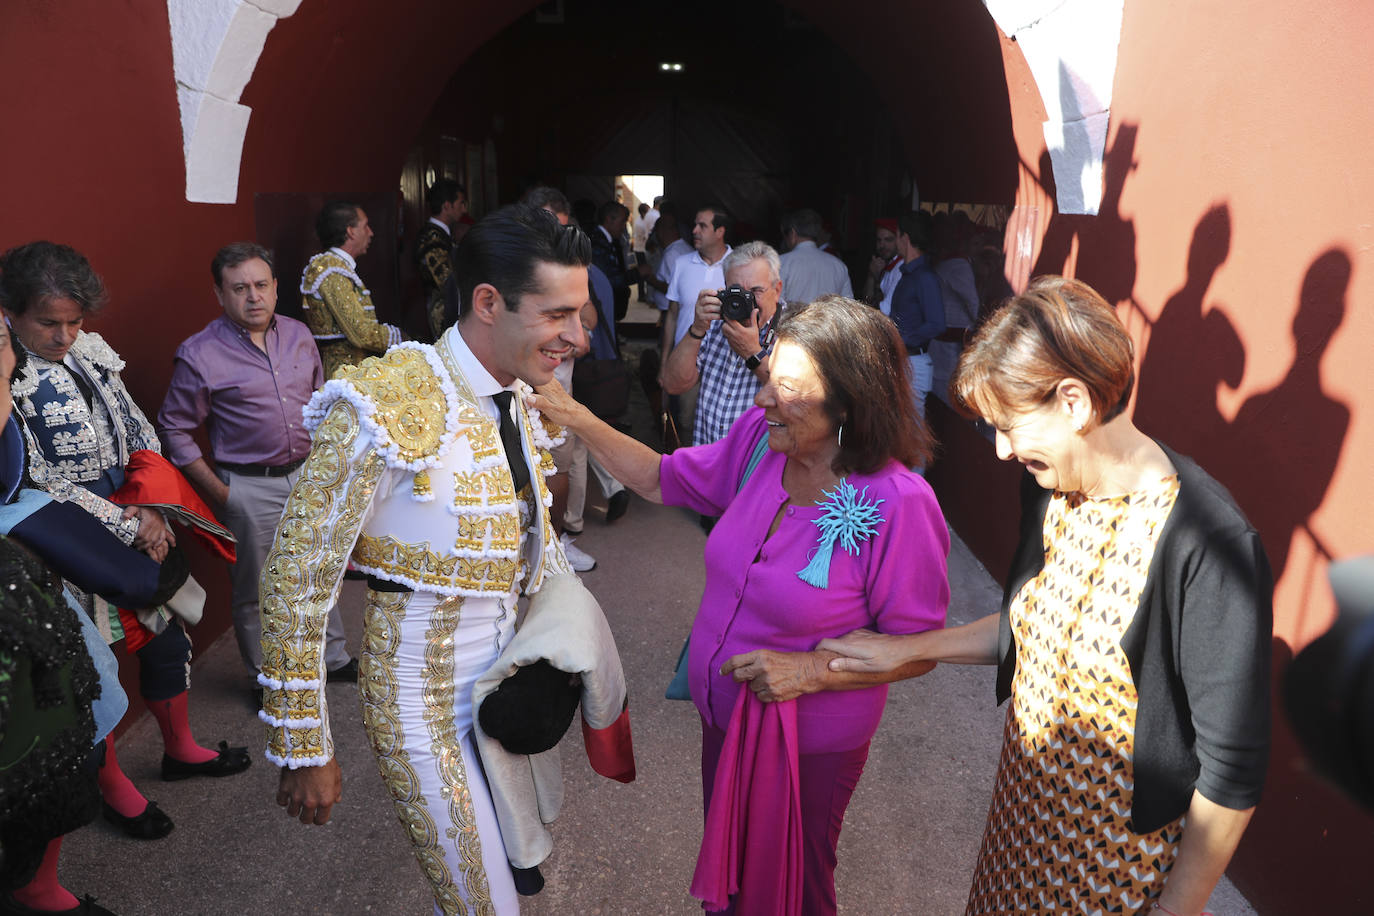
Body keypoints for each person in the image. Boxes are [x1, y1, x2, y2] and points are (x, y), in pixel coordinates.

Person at [821, 276, 1273, 915]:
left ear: (1073, 402)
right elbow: (1029, 621)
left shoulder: (1208, 543)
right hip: (1021, 827)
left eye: (1009, 425)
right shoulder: (1051, 487)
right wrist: (905, 651)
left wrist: (1177, 908)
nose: (1003, 450)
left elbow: (1233, 768)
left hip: (1113, 870)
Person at [531, 296, 950, 914]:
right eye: (768, 379)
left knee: (795, 889)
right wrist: (575, 416)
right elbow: (660, 477)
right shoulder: (761, 441)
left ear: (849, 401)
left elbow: (918, 650)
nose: (762, 401)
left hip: (807, 742)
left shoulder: (898, 502)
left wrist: (809, 671)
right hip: (724, 718)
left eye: (788, 388)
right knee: (733, 881)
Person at [262, 204, 593, 914]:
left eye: (581, 314)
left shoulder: (519, 392)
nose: (576, 336)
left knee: (509, 873)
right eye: (558, 314)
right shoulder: (388, 399)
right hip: (420, 697)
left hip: (504, 680)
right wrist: (303, 743)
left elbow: (532, 544)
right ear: (487, 302)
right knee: (483, 902)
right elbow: (299, 575)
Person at [1, 241, 249, 846]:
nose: (64, 336)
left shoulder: (88, 350)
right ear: (11, 312)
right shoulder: (9, 370)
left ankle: (180, 750)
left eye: (74, 322)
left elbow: (133, 419)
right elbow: (32, 477)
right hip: (63, 530)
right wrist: (125, 522)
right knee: (94, 666)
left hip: (130, 503)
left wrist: (144, 499)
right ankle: (114, 788)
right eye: (49, 323)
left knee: (165, 638)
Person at [157, 242, 355, 682]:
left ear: (275, 287)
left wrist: (328, 469)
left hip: (309, 477)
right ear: (220, 294)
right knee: (256, 591)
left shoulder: (300, 335)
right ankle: (267, 678)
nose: (254, 297)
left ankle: (333, 658)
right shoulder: (200, 354)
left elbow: (323, 403)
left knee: (319, 571)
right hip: (248, 486)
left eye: (261, 285)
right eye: (240, 287)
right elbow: (174, 429)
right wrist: (223, 493)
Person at [661, 241, 785, 447]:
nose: (747, 302)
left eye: (755, 291)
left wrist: (752, 353)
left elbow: (798, 400)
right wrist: (696, 329)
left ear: (777, 289)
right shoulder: (716, 325)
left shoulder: (794, 331)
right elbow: (673, 384)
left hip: (755, 470)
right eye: (737, 291)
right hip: (710, 463)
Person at [300, 200, 403, 379]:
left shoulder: (336, 268)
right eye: (365, 226)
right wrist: (400, 337)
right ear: (351, 231)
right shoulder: (332, 271)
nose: (370, 233)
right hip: (345, 373)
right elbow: (361, 334)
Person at [889, 210, 945, 422]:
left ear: (905, 237)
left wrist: (901, 339)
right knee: (900, 432)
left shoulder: (924, 277)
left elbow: (937, 323)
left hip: (914, 361)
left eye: (896, 235)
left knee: (912, 435)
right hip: (905, 360)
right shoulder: (910, 274)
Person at [417, 179, 468, 339]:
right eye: (460, 203)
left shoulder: (440, 235)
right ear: (447, 206)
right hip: (440, 312)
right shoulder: (432, 239)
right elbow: (446, 280)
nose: (464, 209)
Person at [779, 208, 852, 305]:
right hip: (828, 320)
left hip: (792, 320)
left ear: (793, 233)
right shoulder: (839, 266)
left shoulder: (782, 262)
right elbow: (848, 307)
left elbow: (773, 306)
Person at [863, 218, 902, 315]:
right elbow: (866, 302)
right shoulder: (885, 264)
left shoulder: (901, 267)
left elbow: (884, 310)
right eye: (879, 240)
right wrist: (872, 276)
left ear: (899, 240)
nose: (882, 245)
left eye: (888, 240)